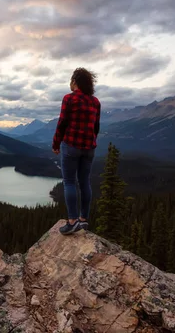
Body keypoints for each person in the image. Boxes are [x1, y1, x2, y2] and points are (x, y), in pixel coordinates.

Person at [52, 68, 101, 235]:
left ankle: (72, 221)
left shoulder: (69, 98)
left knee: (70, 182)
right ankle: (83, 219)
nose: (70, 83)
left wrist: (56, 143)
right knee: (85, 182)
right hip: (89, 148)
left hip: (71, 145)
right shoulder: (95, 102)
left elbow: (62, 123)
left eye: (71, 80)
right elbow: (96, 127)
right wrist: (91, 142)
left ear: (75, 81)